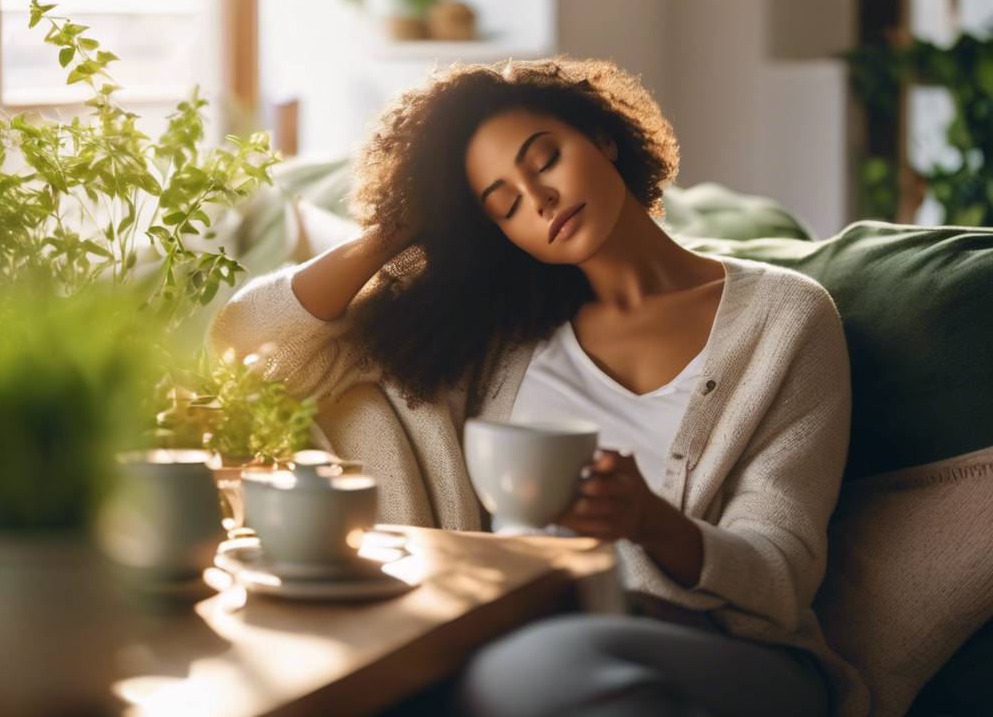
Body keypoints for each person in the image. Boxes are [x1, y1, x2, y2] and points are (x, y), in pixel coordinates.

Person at [209, 58, 870, 717]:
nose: (540, 200)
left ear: (602, 138)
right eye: (505, 204)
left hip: (726, 651)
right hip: (513, 631)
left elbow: (783, 572)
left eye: (545, 159)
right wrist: (394, 232)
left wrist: (650, 523)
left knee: (530, 669)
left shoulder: (784, 318)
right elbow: (249, 344)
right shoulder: (501, 333)